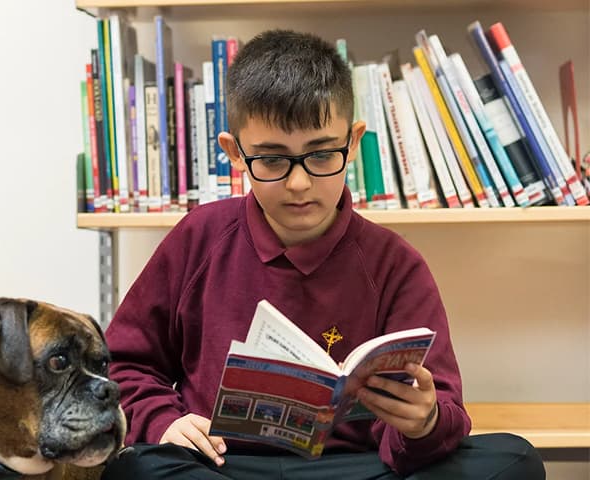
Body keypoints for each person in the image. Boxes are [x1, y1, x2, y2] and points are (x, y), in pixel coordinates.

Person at [101, 29, 544, 479]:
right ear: (235, 153)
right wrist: (165, 422)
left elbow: (445, 407)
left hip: (354, 469)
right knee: (134, 469)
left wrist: (424, 423)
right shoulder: (200, 237)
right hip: (221, 465)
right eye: (272, 160)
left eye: (321, 154)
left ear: (352, 143)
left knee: (515, 460)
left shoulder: (394, 263)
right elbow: (121, 364)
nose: (298, 184)